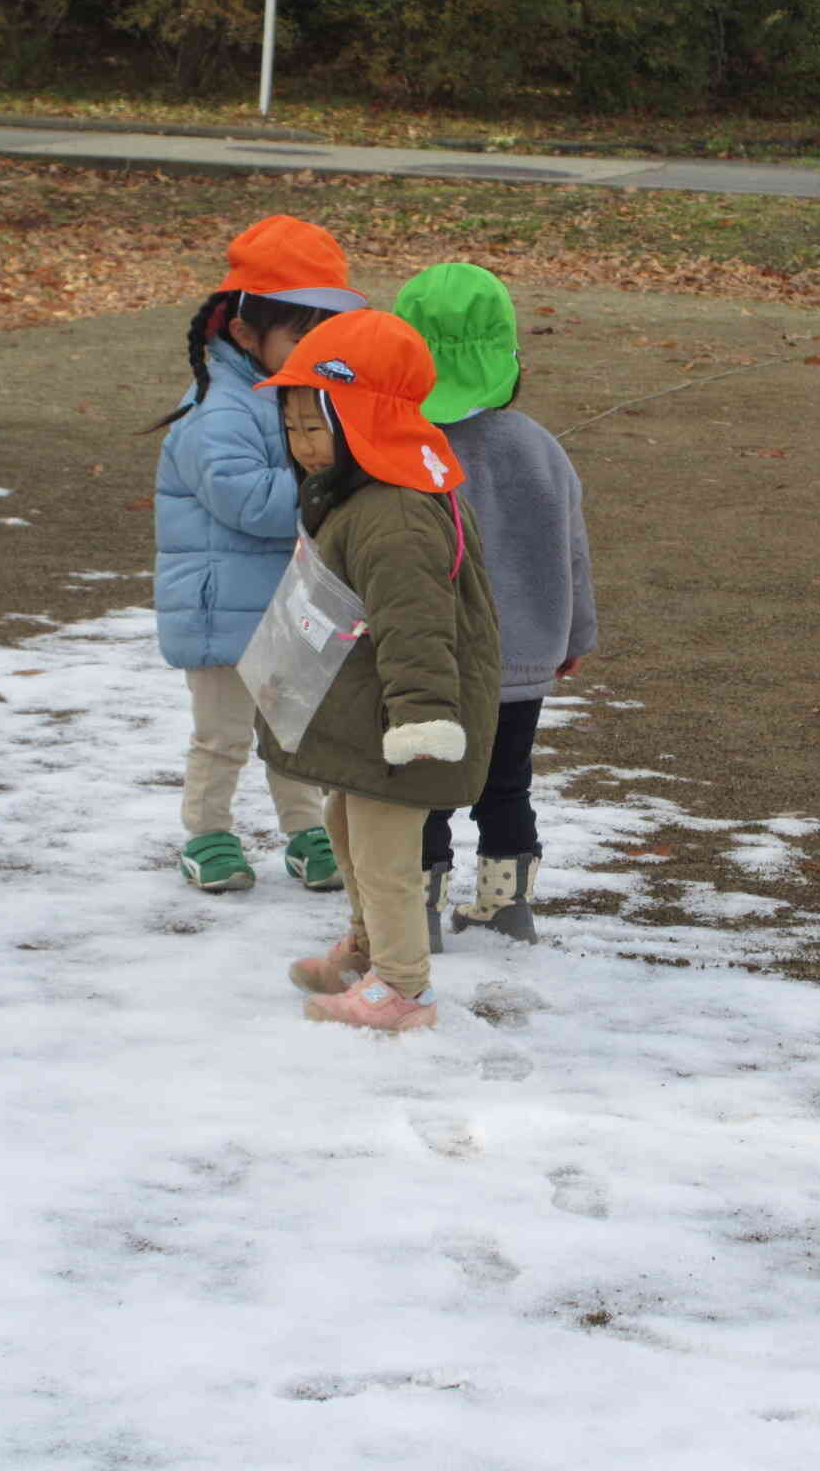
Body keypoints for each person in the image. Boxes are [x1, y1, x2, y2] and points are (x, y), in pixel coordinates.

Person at [254, 309, 502, 1032]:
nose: (303, 446)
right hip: (367, 714)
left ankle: (403, 988)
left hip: (407, 720)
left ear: (364, 420)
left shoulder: (393, 513)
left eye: (316, 425)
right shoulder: (359, 493)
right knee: (346, 826)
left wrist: (421, 718)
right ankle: (367, 948)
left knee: (387, 856)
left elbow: (417, 627)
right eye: (293, 426)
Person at [150, 215, 367, 894]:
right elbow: (243, 499)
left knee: (293, 728)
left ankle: (306, 833)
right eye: (303, 334)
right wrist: (332, 481)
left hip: (285, 604)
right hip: (222, 614)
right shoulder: (217, 408)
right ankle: (208, 833)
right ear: (245, 331)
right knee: (222, 736)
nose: (316, 347)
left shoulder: (296, 391)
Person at [391, 263, 597, 951]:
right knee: (507, 785)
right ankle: (508, 906)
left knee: (423, 787)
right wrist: (572, 635)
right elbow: (572, 550)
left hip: (431, 662)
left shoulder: (398, 453)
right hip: (522, 658)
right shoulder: (540, 448)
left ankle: (415, 912)